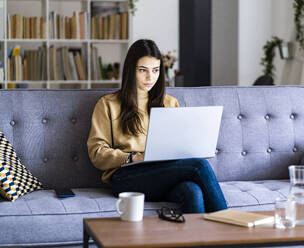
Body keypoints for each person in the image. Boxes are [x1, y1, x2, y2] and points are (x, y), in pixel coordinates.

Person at [87, 39, 227, 213]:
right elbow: (96, 153)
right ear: (131, 71)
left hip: (163, 174)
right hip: (126, 177)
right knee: (199, 166)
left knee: (193, 192)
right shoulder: (108, 104)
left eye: (155, 70)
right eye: (143, 70)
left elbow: (180, 144)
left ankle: (197, 240)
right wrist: (132, 157)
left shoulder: (170, 103)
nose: (150, 78)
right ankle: (229, 226)